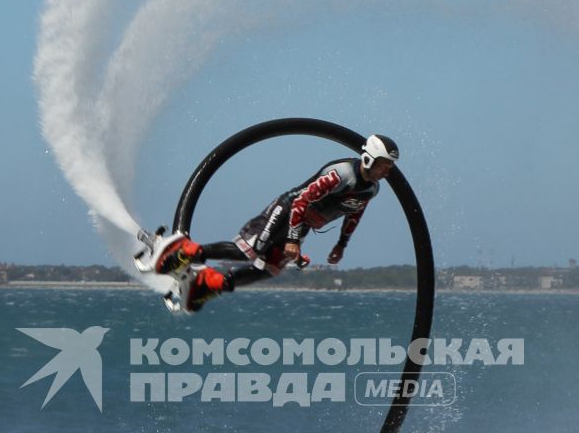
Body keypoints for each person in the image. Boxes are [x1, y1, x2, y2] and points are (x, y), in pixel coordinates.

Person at [154, 133, 400, 311]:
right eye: (384, 165)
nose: (387, 171)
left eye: (390, 167)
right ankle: (186, 251)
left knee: (269, 268)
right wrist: (293, 240)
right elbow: (301, 202)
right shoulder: (341, 174)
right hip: (288, 210)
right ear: (368, 159)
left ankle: (210, 282)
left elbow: (355, 214)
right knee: (251, 250)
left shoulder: (372, 190)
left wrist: (341, 245)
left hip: (301, 226)